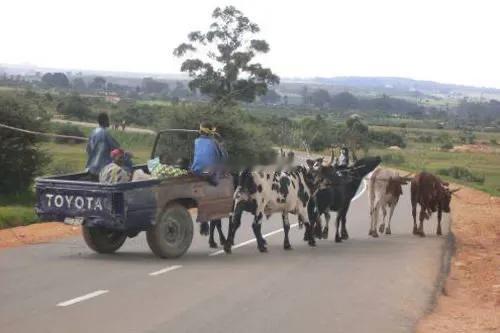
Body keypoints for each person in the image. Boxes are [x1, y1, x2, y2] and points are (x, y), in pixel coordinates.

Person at [190, 121, 227, 185]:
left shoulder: (196, 141)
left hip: (195, 170)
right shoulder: (214, 142)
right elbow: (224, 157)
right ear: (210, 132)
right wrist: (221, 144)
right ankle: (214, 180)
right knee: (221, 162)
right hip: (209, 171)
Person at [86, 113, 121, 179]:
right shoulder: (105, 134)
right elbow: (116, 148)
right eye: (108, 120)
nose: (109, 122)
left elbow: (88, 149)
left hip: (91, 168)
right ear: (105, 121)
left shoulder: (93, 132)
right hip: (102, 170)